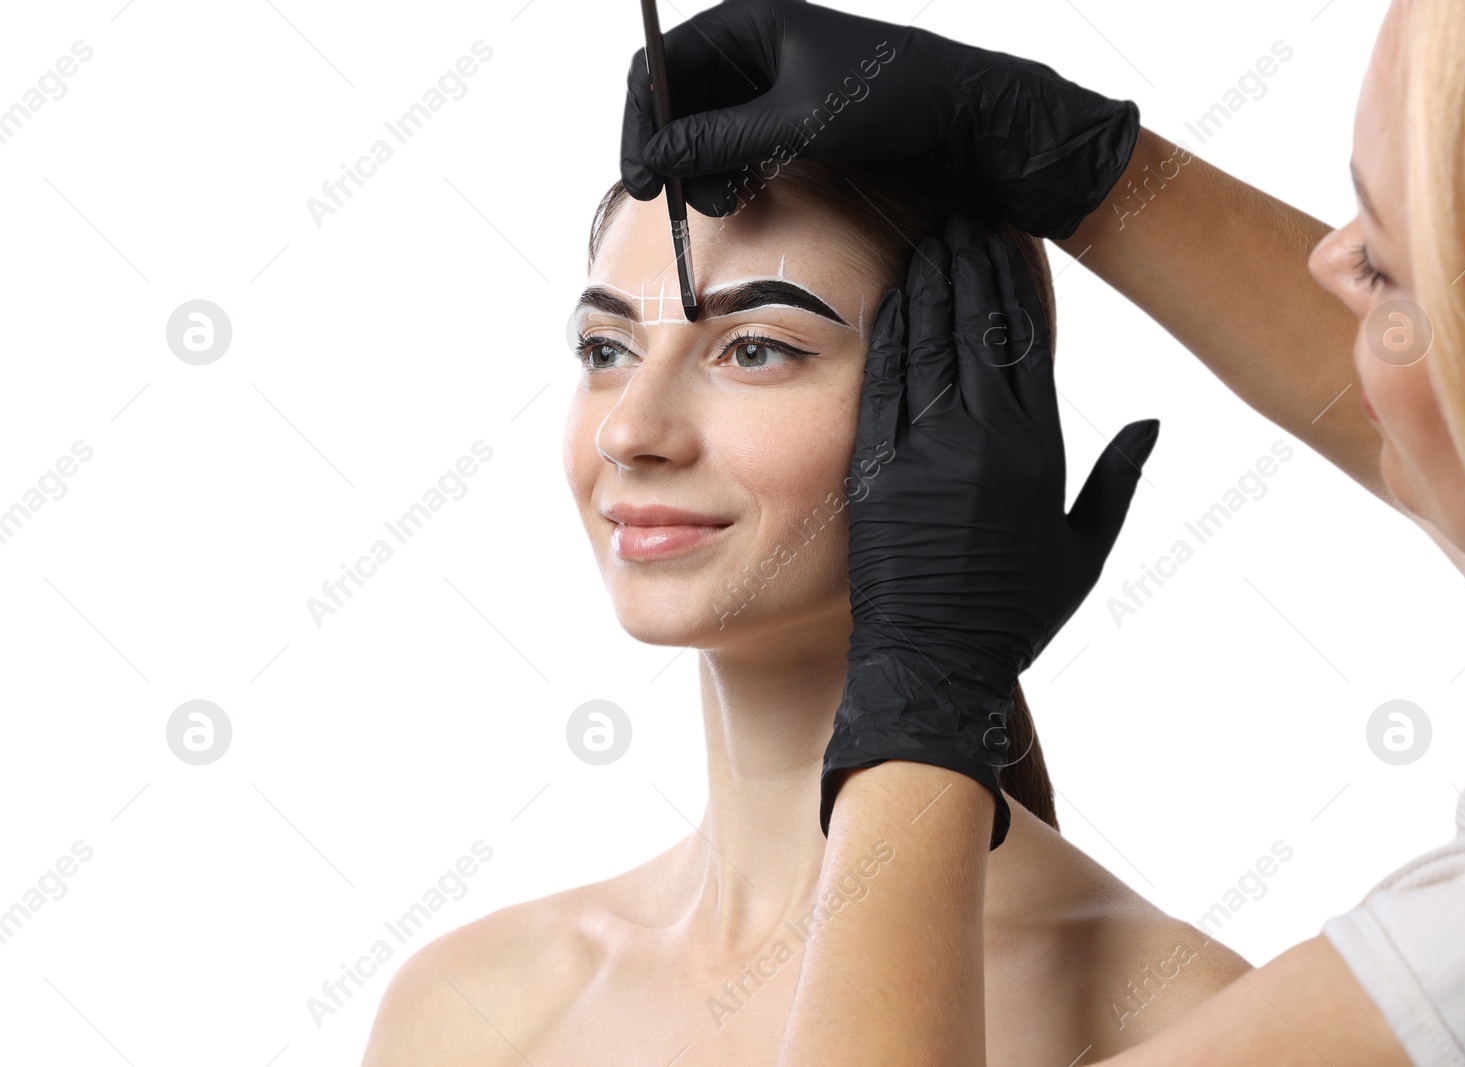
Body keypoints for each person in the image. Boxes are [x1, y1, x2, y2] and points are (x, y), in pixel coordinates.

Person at [611, 0, 1465, 1064]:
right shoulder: (469, 987)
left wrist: (928, 687)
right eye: (601, 348)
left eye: (1384, 267)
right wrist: (1088, 164)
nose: (629, 428)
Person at [356, 157, 1252, 1065]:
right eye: (606, 350)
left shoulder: (1188, 1021)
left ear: (967, 415)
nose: (628, 430)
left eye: (754, 349)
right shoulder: (469, 1007)